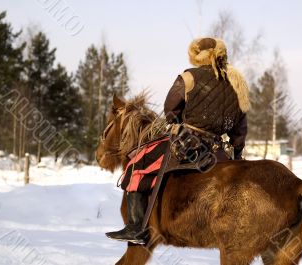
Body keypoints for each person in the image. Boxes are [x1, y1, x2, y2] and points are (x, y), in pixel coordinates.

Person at [105, 37, 250, 244]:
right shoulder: (237, 84)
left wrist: (177, 124)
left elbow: (170, 109)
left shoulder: (189, 77)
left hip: (187, 143)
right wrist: (236, 152)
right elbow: (240, 127)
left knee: (137, 165)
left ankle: (136, 228)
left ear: (198, 56)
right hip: (218, 150)